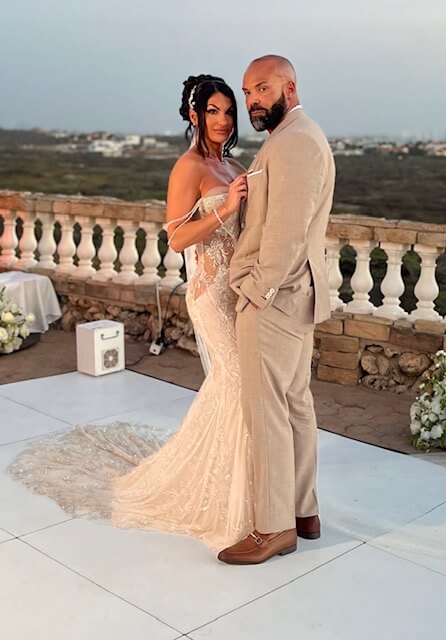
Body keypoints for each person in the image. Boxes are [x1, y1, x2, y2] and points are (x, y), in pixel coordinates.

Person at [8, 74, 254, 552]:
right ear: (194, 115)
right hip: (210, 293)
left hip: (238, 291)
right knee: (236, 381)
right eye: (213, 111)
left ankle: (242, 484)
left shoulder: (234, 166)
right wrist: (227, 209)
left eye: (229, 112)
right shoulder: (188, 168)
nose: (223, 120)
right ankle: (223, 496)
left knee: (237, 386)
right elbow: (177, 238)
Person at [218, 55, 336, 565]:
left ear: (290, 87)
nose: (252, 101)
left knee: (267, 413)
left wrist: (254, 292)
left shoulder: (296, 142)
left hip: (275, 300)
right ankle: (303, 513)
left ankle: (272, 528)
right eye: (247, 92)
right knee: (293, 405)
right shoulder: (289, 138)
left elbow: (286, 235)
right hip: (292, 297)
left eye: (262, 88)